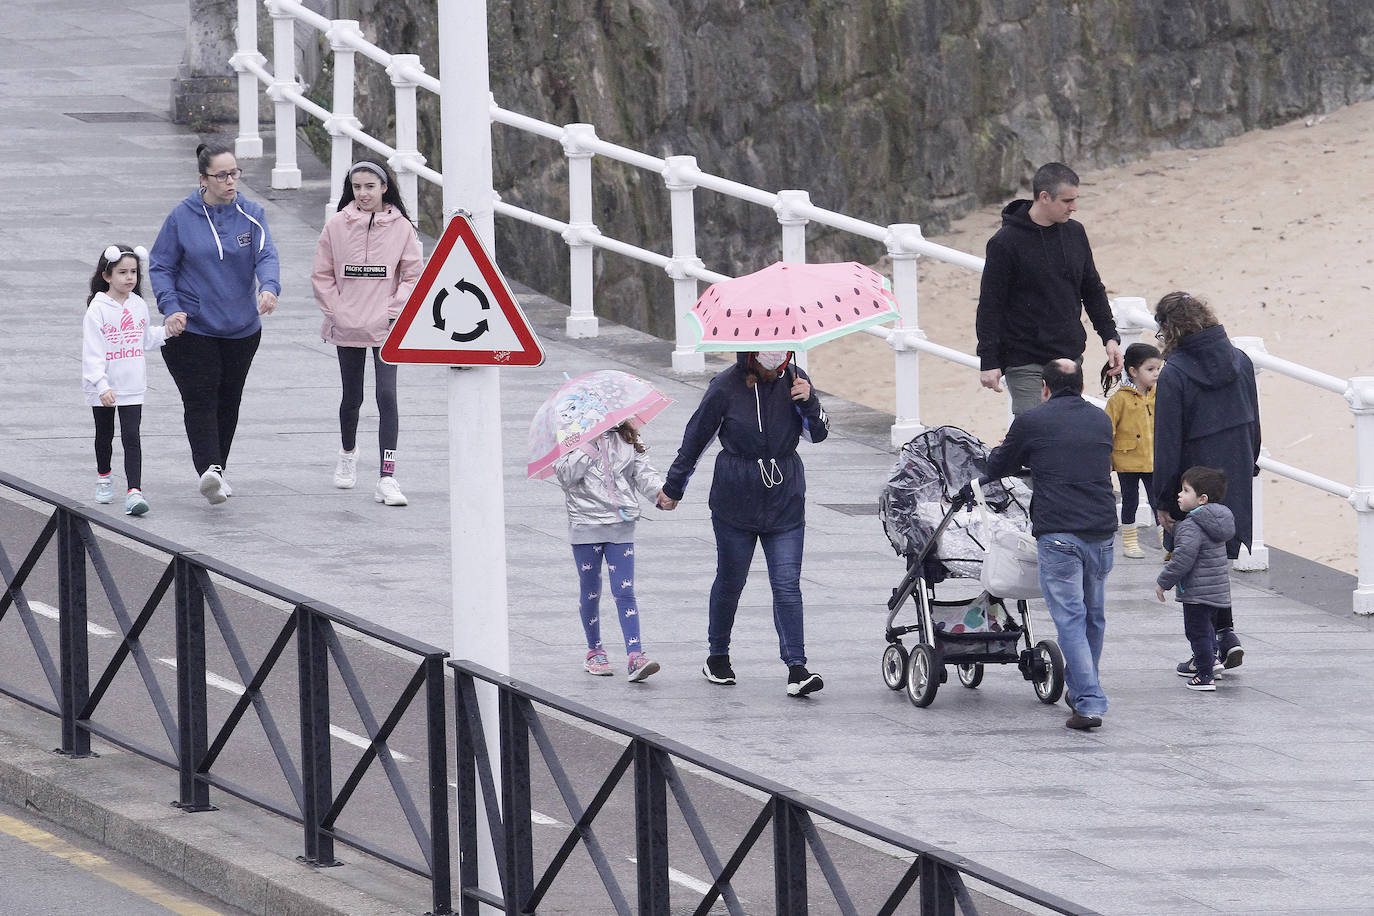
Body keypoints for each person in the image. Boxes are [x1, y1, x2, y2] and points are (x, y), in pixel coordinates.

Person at [658, 350, 830, 697]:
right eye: (769, 364)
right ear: (751, 357)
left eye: (779, 363)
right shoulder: (724, 387)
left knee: (786, 585)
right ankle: (717, 656)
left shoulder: (796, 379)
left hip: (785, 498)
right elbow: (695, 440)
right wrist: (673, 487)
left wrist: (809, 403)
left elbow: (819, 434)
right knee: (731, 579)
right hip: (734, 498)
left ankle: (797, 667)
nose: (775, 370)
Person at [975, 359, 1117, 730]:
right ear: (1082, 386)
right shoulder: (1101, 419)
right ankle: (1081, 689)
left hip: (1059, 533)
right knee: (1093, 615)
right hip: (1101, 531)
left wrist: (1007, 452)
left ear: (1044, 388)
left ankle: (1089, 702)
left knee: (1070, 617)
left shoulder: (1032, 421)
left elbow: (998, 467)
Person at [149, 141, 280, 505]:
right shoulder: (181, 217)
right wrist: (171, 306)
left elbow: (266, 255)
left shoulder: (252, 214)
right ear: (203, 179)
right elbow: (161, 265)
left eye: (234, 173)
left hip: (241, 329)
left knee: (229, 400)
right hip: (192, 329)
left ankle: (217, 468)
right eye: (222, 175)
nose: (230, 181)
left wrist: (269, 288)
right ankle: (210, 468)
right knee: (201, 398)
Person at [1151, 291, 1260, 672]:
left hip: (1192, 484)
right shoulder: (1241, 361)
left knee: (1195, 566)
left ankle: (1208, 652)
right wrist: (1249, 466)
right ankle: (1225, 635)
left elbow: (1166, 444)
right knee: (1214, 559)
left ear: (1169, 329)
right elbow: (1255, 426)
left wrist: (1163, 500)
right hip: (1235, 476)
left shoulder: (1175, 374)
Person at [312, 161, 423, 507]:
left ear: (384, 187)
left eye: (370, 187)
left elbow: (413, 274)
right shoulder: (336, 226)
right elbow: (322, 274)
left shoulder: (402, 228)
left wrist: (393, 309)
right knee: (352, 397)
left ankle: (387, 476)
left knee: (387, 397)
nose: (363, 194)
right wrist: (336, 310)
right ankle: (348, 453)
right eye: (357, 187)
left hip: (386, 328)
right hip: (346, 325)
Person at [975, 162, 1123, 416]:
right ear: (1044, 197)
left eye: (1075, 199)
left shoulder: (1076, 232)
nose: (1074, 207)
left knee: (1065, 434)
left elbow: (1092, 288)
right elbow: (990, 305)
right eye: (1067, 201)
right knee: (1035, 435)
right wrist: (988, 360)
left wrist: (1109, 336)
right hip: (1024, 360)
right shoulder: (1004, 243)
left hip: (1069, 357)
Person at [553, 421, 666, 682]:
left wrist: (660, 494)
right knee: (591, 591)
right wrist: (589, 445)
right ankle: (595, 651)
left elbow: (643, 472)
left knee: (625, 591)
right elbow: (566, 475)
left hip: (620, 524)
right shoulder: (572, 436)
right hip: (586, 524)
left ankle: (635, 655)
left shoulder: (625, 436)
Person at [81, 245, 185, 516]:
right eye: (122, 272)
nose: (129, 278)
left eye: (134, 272)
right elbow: (92, 351)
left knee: (131, 435)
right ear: (107, 275)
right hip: (104, 384)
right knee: (104, 435)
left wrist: (168, 331)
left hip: (132, 383)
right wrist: (101, 385)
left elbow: (145, 338)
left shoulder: (138, 304)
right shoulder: (97, 309)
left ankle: (134, 491)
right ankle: (104, 476)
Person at [1155, 467, 1235, 692]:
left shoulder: (1192, 525)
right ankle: (1213, 662)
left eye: (1185, 490)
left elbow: (1183, 558)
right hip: (1216, 591)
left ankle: (1204, 676)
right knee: (1208, 630)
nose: (1179, 495)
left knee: (1197, 633)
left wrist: (1164, 582)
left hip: (1197, 593)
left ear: (1202, 499)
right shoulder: (1219, 521)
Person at [1101, 342, 1163, 558]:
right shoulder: (1119, 399)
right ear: (1133, 371)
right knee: (1130, 501)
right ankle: (1129, 541)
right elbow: (1108, 430)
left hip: (1154, 460)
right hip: (1127, 460)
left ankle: (1166, 543)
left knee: (1159, 502)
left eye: (1158, 369)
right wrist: (1107, 459)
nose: (1156, 374)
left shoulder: (1161, 396)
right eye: (1150, 369)